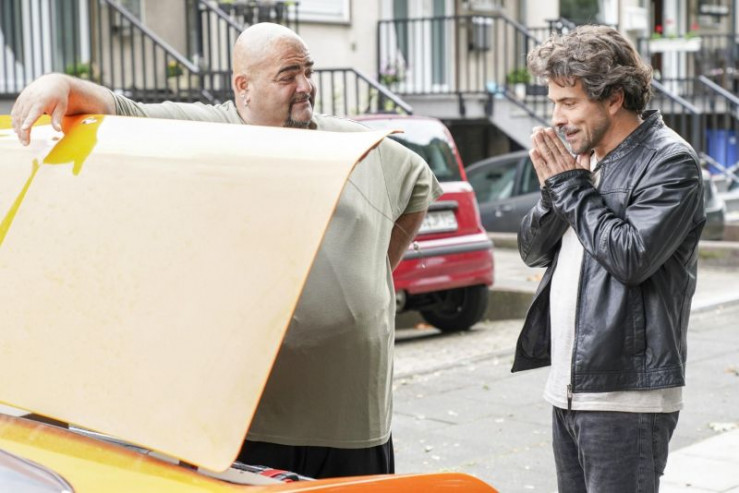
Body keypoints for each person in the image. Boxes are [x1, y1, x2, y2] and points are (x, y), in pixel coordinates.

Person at [11, 22, 442, 479]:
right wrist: (59, 84)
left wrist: (375, 271)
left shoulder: (352, 144)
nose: (305, 86)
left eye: (308, 71)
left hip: (352, 422)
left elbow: (418, 182)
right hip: (246, 423)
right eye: (288, 75)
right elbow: (122, 111)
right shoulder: (211, 131)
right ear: (243, 87)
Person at [512, 25, 705, 492]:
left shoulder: (669, 161)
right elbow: (532, 251)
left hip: (626, 396)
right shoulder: (582, 163)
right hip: (569, 390)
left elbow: (632, 257)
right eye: (554, 102)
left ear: (614, 98)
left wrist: (569, 188)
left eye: (568, 102)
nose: (556, 118)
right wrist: (556, 191)